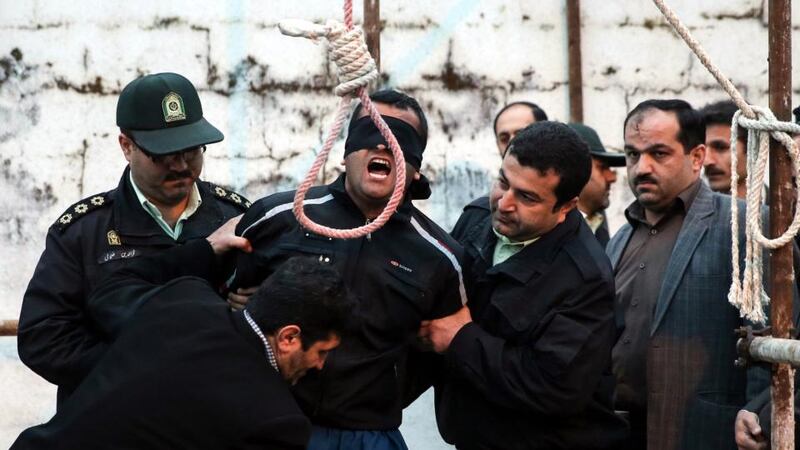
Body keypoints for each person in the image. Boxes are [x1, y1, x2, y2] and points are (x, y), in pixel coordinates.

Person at [230, 89, 466, 450]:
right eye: (371, 134)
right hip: (268, 420)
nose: (384, 147)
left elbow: (438, 353)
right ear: (346, 151)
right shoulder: (278, 218)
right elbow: (228, 301)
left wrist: (384, 391)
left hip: (368, 435)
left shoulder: (440, 258)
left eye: (400, 141)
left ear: (416, 168)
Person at [11, 219, 355, 450]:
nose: (321, 365)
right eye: (322, 351)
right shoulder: (277, 422)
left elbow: (112, 287)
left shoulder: (183, 299)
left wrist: (204, 250)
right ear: (289, 338)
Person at [18, 72, 249, 405]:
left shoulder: (234, 218)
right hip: (115, 421)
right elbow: (43, 336)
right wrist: (136, 371)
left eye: (192, 151)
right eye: (165, 154)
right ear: (126, 146)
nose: (182, 166)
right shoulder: (84, 232)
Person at [421, 121, 628, 449]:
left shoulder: (585, 278)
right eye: (503, 181)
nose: (504, 203)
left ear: (565, 207)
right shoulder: (477, 218)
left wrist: (461, 339)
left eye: (527, 197)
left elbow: (553, 387)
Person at [607, 99, 769, 450]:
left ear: (696, 158)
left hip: (704, 432)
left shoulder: (742, 224)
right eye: (632, 155)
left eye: (659, 154)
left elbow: (771, 334)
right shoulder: (620, 239)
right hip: (620, 432)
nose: (642, 167)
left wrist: (759, 413)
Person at [567, 122, 626, 247]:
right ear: (575, 170)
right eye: (602, 167)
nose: (612, 178)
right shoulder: (547, 234)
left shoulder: (597, 225)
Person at [699, 100, 748, 198]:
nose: (706, 161)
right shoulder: (686, 211)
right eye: (701, 150)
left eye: (720, 148)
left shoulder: (782, 207)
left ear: (753, 150)